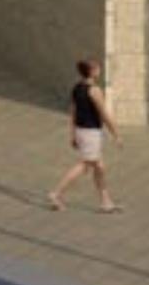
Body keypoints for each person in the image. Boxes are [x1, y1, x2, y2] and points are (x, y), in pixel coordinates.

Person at [46, 58, 119, 212]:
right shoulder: (95, 90)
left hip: (81, 131)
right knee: (85, 165)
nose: (99, 70)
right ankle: (56, 194)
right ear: (91, 72)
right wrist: (115, 134)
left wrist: (72, 134)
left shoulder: (77, 88)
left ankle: (105, 202)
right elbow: (104, 114)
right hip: (91, 133)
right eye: (97, 68)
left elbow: (73, 112)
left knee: (99, 166)